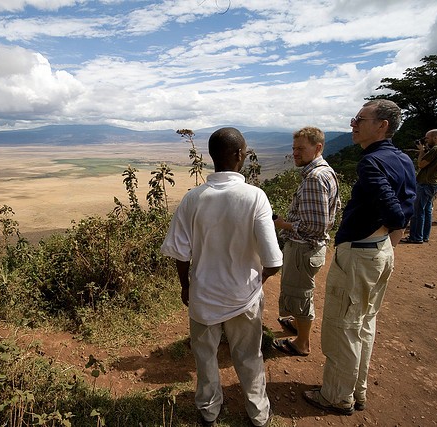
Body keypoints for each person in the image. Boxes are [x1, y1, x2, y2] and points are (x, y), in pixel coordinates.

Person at [161, 127, 282, 427]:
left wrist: (186, 286)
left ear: (212, 157)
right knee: (249, 357)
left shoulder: (193, 198)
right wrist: (256, 282)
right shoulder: (256, 197)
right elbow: (274, 261)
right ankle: (258, 414)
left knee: (205, 358)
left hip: (203, 296)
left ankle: (209, 412)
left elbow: (180, 252)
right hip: (245, 297)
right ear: (240, 155)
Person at [303, 99, 416, 415]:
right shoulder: (403, 159)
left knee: (343, 327)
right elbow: (409, 205)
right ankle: (357, 391)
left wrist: (380, 230)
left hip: (361, 254)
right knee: (364, 323)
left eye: (360, 119)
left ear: (381, 125)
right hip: (381, 252)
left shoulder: (371, 163)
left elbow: (395, 210)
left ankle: (336, 396)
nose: (353, 124)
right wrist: (388, 239)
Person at [273, 127, 340, 357]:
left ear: (317, 147)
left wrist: (284, 225)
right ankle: (297, 324)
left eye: (301, 148)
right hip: (311, 249)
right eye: (294, 148)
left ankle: (302, 343)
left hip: (304, 249)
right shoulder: (326, 171)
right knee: (300, 291)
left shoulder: (314, 177)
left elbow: (316, 226)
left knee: (300, 294)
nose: (295, 153)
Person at [400, 129, 437, 243]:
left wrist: (422, 151)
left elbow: (421, 164)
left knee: (418, 211)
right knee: (427, 211)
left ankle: (416, 237)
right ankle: (424, 236)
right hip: (435, 183)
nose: (425, 140)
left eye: (427, 138)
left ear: (435, 138)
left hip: (426, 183)